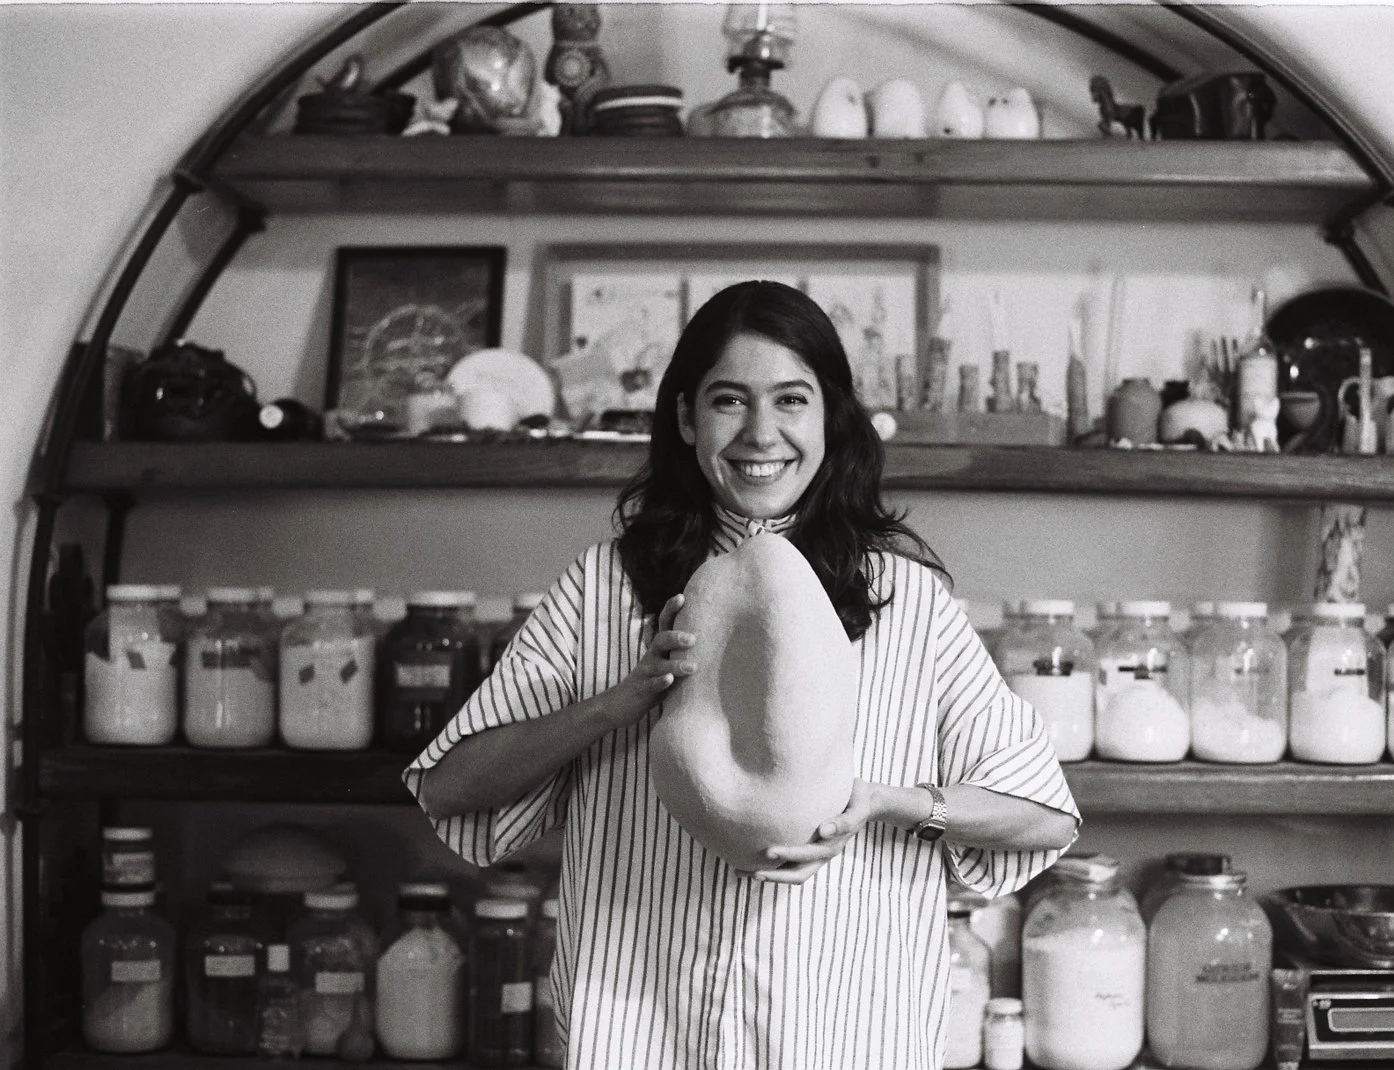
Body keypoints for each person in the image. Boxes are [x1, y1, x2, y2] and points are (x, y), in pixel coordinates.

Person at [405, 280, 1080, 1069]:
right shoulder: (606, 587)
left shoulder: (906, 599)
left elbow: (1043, 816)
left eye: (792, 400)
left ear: (830, 419)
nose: (762, 434)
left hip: (845, 1039)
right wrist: (613, 704)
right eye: (730, 400)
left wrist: (889, 803)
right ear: (687, 418)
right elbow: (449, 788)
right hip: (642, 1033)